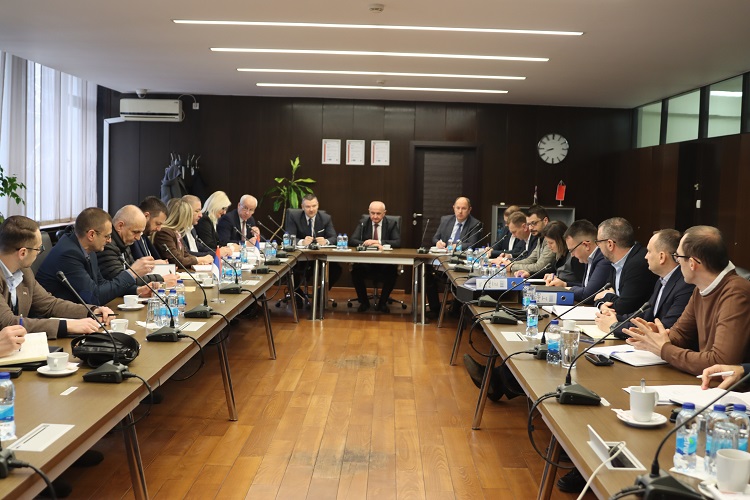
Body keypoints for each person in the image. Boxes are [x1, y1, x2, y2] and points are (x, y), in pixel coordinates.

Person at [624, 226, 750, 375]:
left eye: (677, 256)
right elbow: (681, 334)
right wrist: (657, 336)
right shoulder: (701, 288)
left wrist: (664, 349)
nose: (677, 262)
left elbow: (721, 363)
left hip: (730, 387)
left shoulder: (735, 293)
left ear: (692, 263)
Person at [0, 215, 114, 337]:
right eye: (38, 249)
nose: (39, 253)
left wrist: (92, 311)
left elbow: (49, 304)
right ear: (23, 253)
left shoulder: (25, 272)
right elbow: (8, 322)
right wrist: (67, 325)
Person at [37, 208, 155, 305]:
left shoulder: (88, 248)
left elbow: (101, 284)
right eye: (107, 236)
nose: (109, 241)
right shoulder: (68, 254)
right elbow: (94, 297)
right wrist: (132, 273)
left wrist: (136, 290)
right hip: (55, 317)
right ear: (91, 235)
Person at [595, 229, 694, 337]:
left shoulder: (685, 286)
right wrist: (613, 317)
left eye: (649, 251)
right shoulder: (662, 280)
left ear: (661, 257)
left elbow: (665, 328)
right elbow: (646, 315)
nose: (645, 256)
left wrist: (614, 327)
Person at [594, 217, 658, 321]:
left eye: (598, 242)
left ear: (610, 244)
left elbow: (624, 307)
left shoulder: (638, 264)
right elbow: (598, 296)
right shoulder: (615, 261)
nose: (598, 247)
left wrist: (607, 295)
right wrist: (601, 304)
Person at [97, 205, 176, 287]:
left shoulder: (124, 242)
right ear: (120, 226)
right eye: (135, 232)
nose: (138, 238)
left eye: (140, 233)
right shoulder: (107, 246)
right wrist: (161, 279)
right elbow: (122, 281)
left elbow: (135, 275)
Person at [349, 201, 401, 313]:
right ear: (369, 212)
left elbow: (397, 242)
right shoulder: (363, 223)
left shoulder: (391, 224)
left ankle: (383, 303)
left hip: (385, 263)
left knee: (392, 271)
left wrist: (378, 242)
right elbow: (352, 240)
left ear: (384, 213)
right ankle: (364, 302)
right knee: (356, 271)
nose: (375, 216)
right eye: (372, 213)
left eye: (378, 213)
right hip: (366, 263)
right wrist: (367, 243)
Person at [284, 194, 342, 290]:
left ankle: (319, 294)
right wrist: (302, 242)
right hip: (300, 258)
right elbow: (289, 237)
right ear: (302, 207)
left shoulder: (325, 218)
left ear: (318, 205)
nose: (311, 209)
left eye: (314, 206)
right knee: (289, 268)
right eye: (308, 207)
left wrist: (326, 241)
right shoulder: (294, 217)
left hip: (319, 258)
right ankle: (297, 296)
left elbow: (334, 238)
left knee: (336, 270)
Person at [547, 219, 609, 303]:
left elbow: (587, 294)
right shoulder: (589, 258)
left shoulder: (603, 259)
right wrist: (565, 284)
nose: (572, 255)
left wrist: (566, 289)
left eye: (572, 250)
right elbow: (585, 287)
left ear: (586, 245)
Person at [153, 200, 214, 269]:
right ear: (183, 217)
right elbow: (176, 260)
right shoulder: (164, 233)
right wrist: (199, 260)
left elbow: (185, 254)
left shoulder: (176, 232)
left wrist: (199, 261)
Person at [502, 205, 555, 277]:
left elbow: (539, 266)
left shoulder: (552, 237)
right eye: (529, 224)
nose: (530, 228)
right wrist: (509, 264)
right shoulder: (540, 237)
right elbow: (530, 259)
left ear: (545, 221)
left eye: (534, 223)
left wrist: (512, 266)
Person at [539, 221, 584, 285]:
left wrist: (565, 284)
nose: (549, 246)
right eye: (547, 243)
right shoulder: (560, 255)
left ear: (561, 240)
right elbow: (553, 271)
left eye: (551, 243)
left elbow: (584, 284)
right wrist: (554, 277)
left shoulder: (575, 257)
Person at [196, 191, 233, 256]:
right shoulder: (204, 220)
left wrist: (228, 246)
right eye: (223, 208)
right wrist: (229, 248)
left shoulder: (211, 219)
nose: (224, 212)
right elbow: (208, 244)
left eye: (226, 209)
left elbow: (216, 242)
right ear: (216, 205)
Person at [131, 196, 167, 260]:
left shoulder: (144, 237)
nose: (159, 229)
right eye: (158, 224)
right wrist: (154, 264)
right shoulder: (132, 238)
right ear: (146, 216)